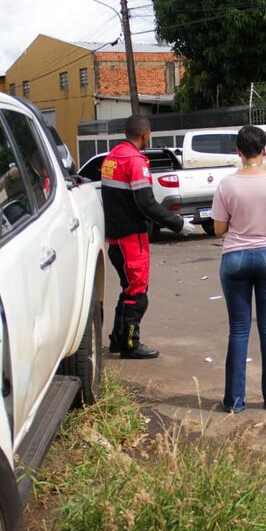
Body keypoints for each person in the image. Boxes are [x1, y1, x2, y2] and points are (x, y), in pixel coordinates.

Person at [210, 124, 266, 412]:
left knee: (238, 330)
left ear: (238, 151)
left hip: (235, 257)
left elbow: (219, 229)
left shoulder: (226, 184)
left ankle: (234, 401)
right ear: (263, 151)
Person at [101, 115, 195, 359]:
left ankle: (117, 340)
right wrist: (177, 224)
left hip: (116, 237)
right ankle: (131, 344)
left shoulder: (112, 158)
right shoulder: (135, 161)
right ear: (145, 134)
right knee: (137, 293)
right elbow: (146, 203)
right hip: (132, 237)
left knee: (128, 289)